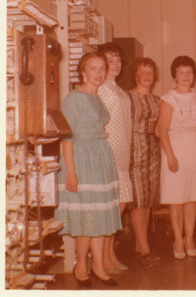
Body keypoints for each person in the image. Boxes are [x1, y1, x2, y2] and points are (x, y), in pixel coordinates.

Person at [55, 52, 121, 288]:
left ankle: (99, 267)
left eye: (102, 68)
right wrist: (70, 172)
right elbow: (67, 138)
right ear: (82, 72)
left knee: (99, 214)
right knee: (86, 215)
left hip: (100, 159)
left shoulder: (97, 96)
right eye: (92, 68)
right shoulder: (74, 98)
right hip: (81, 160)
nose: (98, 73)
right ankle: (81, 265)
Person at [157, 56, 196, 259]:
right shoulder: (168, 98)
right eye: (181, 72)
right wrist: (170, 156)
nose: (186, 76)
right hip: (175, 148)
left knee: (192, 195)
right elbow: (161, 130)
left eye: (189, 72)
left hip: (195, 148)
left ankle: (190, 237)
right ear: (175, 76)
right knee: (176, 197)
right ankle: (178, 238)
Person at [97, 43, 132, 273]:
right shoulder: (101, 89)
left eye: (118, 59)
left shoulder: (120, 90)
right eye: (111, 59)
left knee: (118, 208)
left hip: (123, 156)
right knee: (111, 210)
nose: (116, 64)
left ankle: (110, 253)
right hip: (109, 154)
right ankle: (105, 258)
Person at [128, 57, 161, 263]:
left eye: (150, 71)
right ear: (135, 75)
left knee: (148, 201)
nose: (147, 75)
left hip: (153, 151)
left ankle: (141, 245)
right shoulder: (127, 98)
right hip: (134, 150)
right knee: (138, 201)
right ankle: (146, 249)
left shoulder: (158, 100)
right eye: (143, 71)